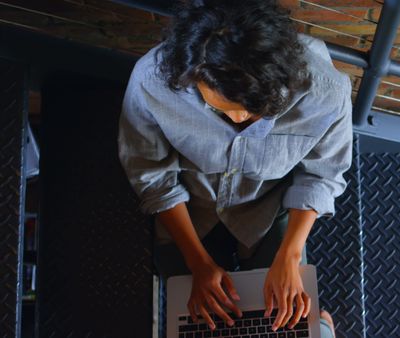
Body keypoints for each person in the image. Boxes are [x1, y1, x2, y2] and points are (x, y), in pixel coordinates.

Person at [117, 1, 351, 337]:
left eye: (253, 112)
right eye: (222, 111)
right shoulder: (151, 80)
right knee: (204, 326)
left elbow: (322, 175)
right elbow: (153, 176)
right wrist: (197, 263)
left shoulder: (327, 92)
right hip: (190, 208)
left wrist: (290, 255)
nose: (239, 120)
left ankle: (321, 325)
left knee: (289, 328)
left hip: (269, 207)